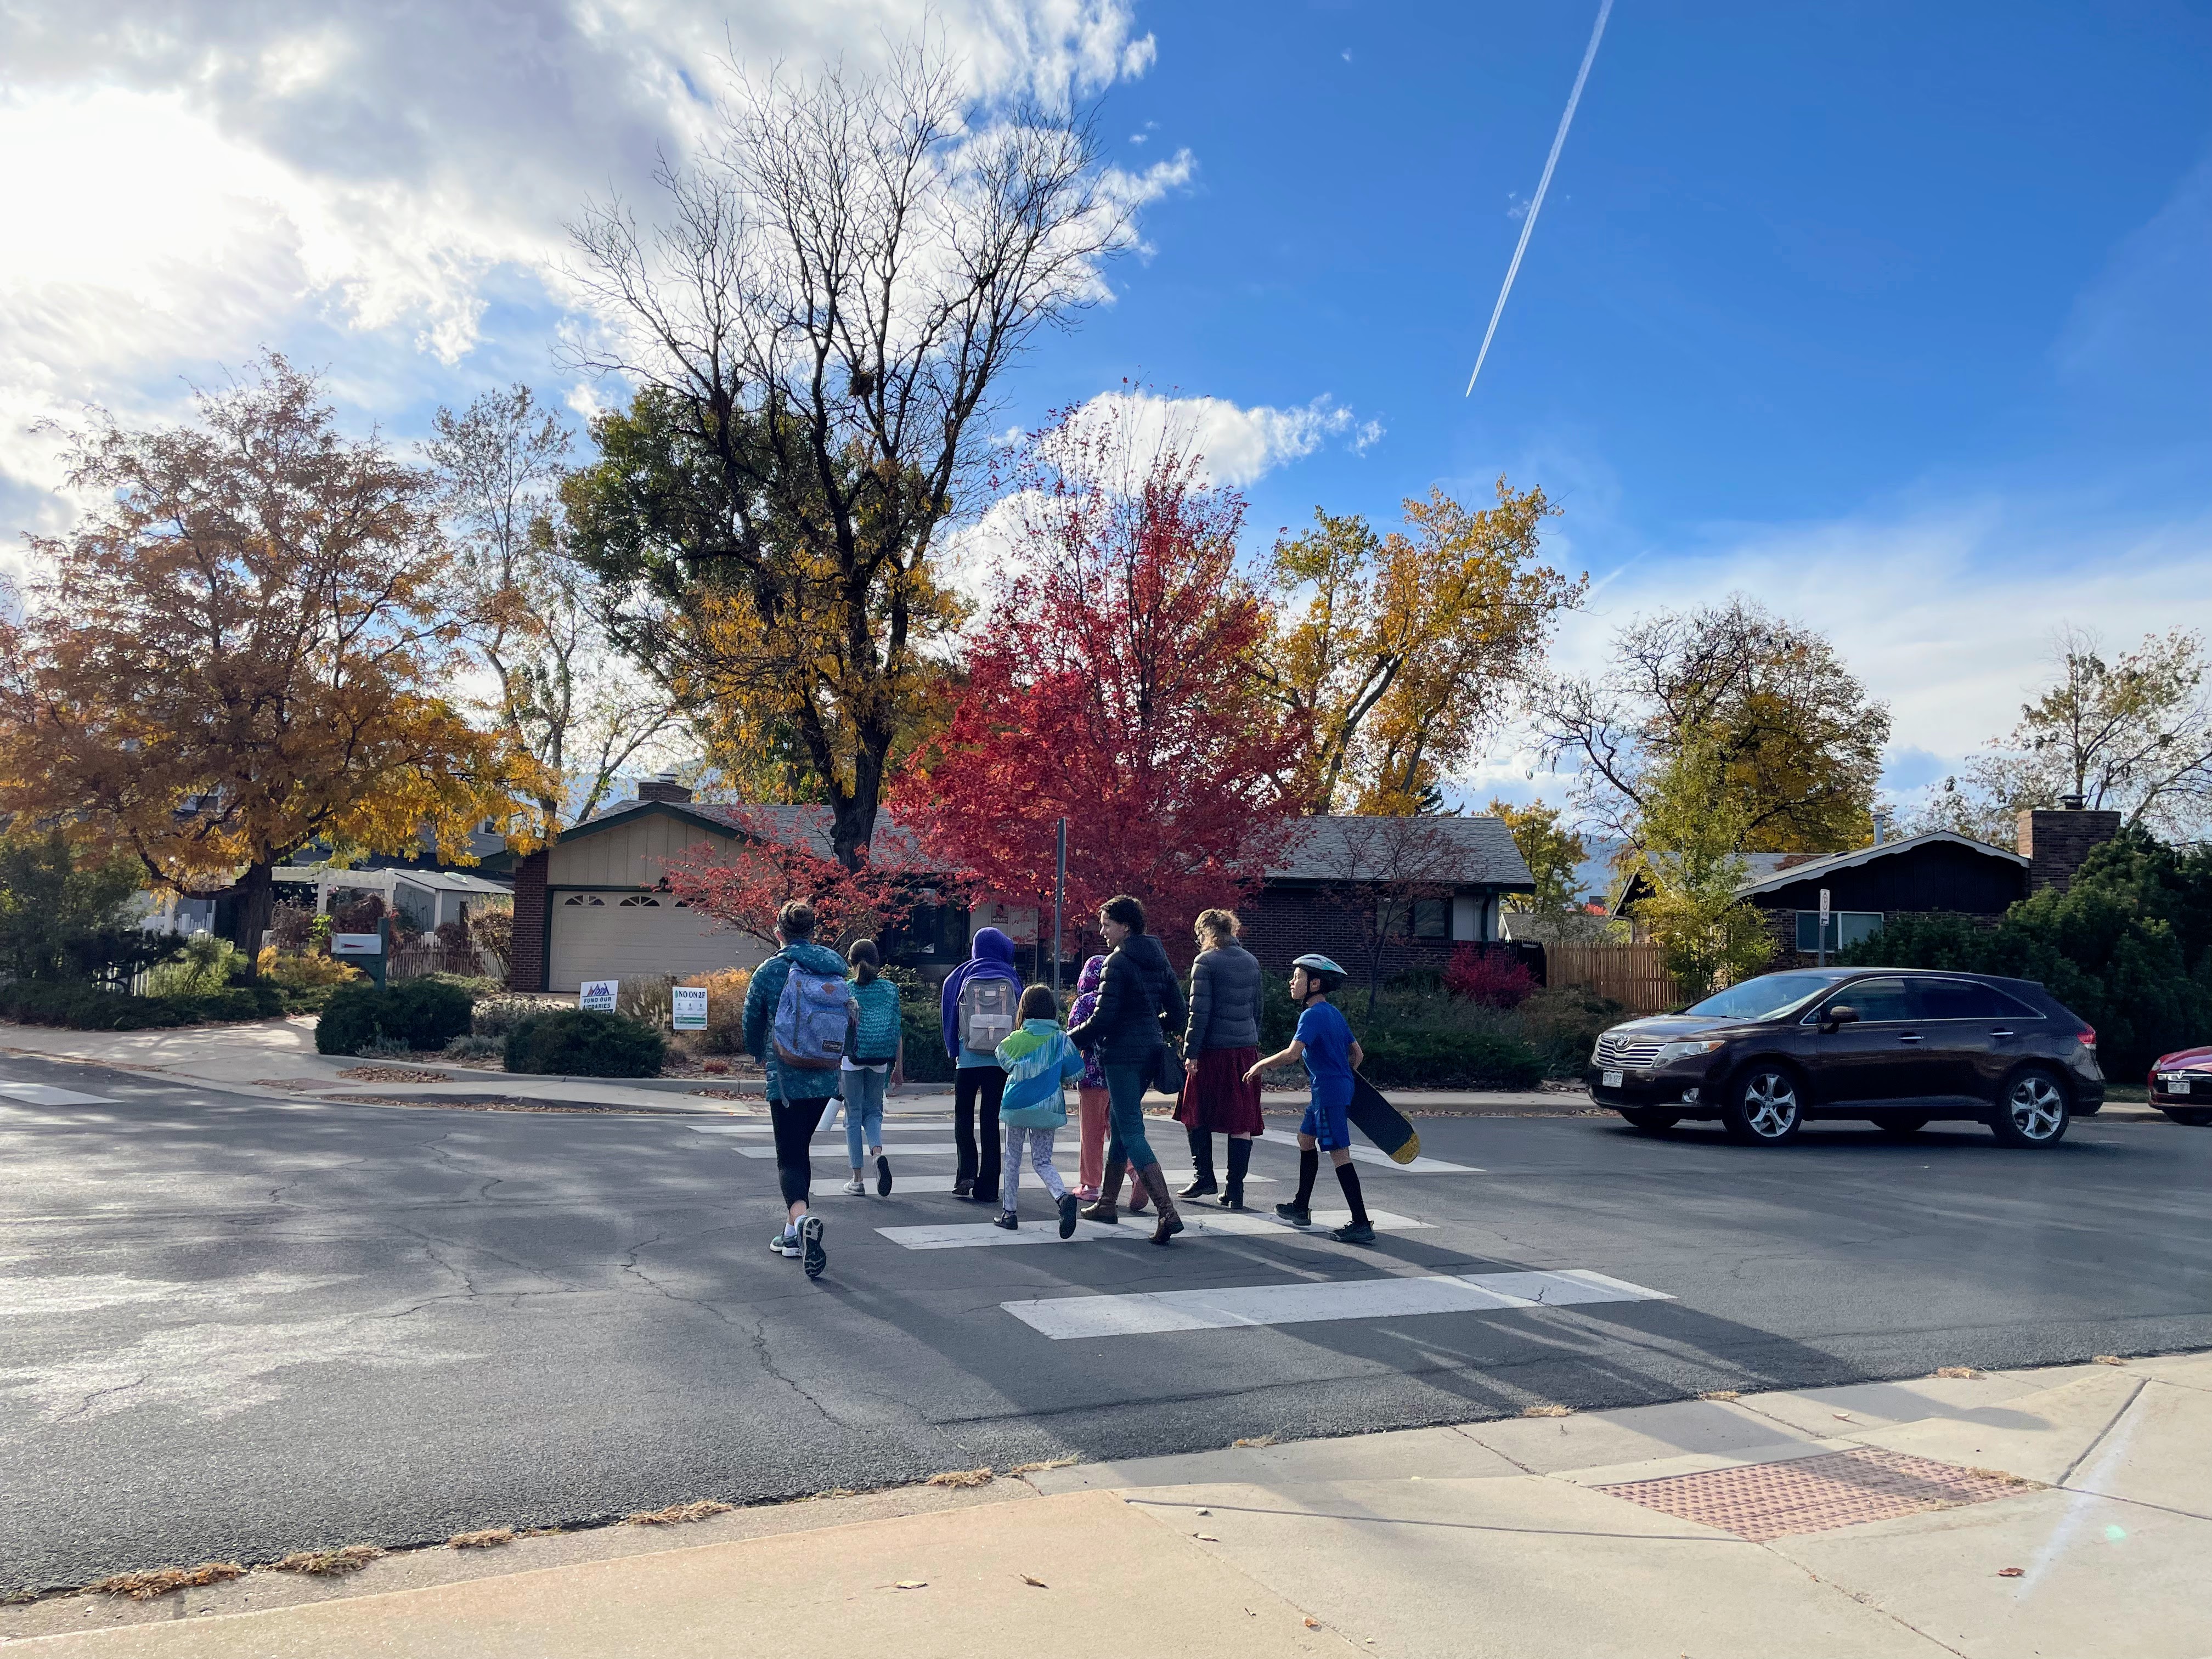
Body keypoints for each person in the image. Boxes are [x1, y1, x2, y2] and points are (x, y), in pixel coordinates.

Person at [742, 899, 857, 1277]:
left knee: (789, 1157)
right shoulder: (833, 968)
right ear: (813, 932)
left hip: (786, 1077)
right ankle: (792, 1235)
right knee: (801, 1150)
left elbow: (751, 1018)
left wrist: (756, 1051)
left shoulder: (771, 970)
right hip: (824, 1074)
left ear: (779, 933)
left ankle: (802, 1218)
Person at [1068, 894, 1189, 1245]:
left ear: (1125, 926)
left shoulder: (1117, 962)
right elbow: (1178, 1015)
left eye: (1107, 925)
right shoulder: (1160, 959)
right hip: (1149, 1053)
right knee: (1121, 1126)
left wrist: (1067, 1040)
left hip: (1121, 1056)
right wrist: (1149, 1025)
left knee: (1132, 1131)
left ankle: (1167, 1212)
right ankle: (1107, 1203)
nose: (1102, 932)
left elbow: (1103, 1019)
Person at [1244, 952, 1374, 1246]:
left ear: (1314, 984)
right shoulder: (1333, 1013)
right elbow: (1358, 1054)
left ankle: (1361, 1223)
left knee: (1339, 1154)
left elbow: (1292, 1054)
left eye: (1297, 978)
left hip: (1328, 1092)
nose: (1291, 982)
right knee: (1305, 1139)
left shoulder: (1311, 1015)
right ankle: (1301, 1207)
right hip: (1330, 1090)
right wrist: (1343, 1075)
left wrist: (1261, 1064)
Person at [1175, 907, 1266, 1208]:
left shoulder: (1206, 962)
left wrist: (1191, 1052)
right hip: (1245, 1050)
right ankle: (1235, 1190)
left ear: (1207, 932)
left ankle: (1204, 1176)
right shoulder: (1251, 961)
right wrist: (1252, 1039)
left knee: (1194, 1110)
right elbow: (1258, 1008)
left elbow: (1198, 1013)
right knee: (1241, 1119)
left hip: (1213, 1051)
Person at [992, 985, 1086, 1236]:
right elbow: (1077, 1073)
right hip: (1048, 1107)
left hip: (1017, 1106)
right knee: (1043, 1161)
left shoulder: (1015, 1040)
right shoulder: (1062, 1040)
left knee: (1012, 1159)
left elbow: (1002, 1058)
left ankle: (1009, 1213)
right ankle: (1062, 1198)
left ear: (1024, 1010)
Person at [940, 926, 1023, 1203]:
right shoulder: (1011, 976)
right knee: (990, 1120)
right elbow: (1021, 1017)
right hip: (999, 1060)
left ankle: (965, 1173)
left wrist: (953, 1048)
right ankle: (988, 1187)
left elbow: (949, 1015)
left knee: (963, 1116)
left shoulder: (960, 975)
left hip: (967, 1058)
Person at [839, 939, 904, 1197]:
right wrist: (898, 1066)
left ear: (851, 963)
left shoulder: (846, 990)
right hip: (880, 1058)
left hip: (852, 1058)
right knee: (874, 1112)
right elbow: (897, 1029)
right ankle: (877, 1154)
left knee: (853, 1116)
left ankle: (857, 1179)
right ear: (878, 961)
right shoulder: (890, 990)